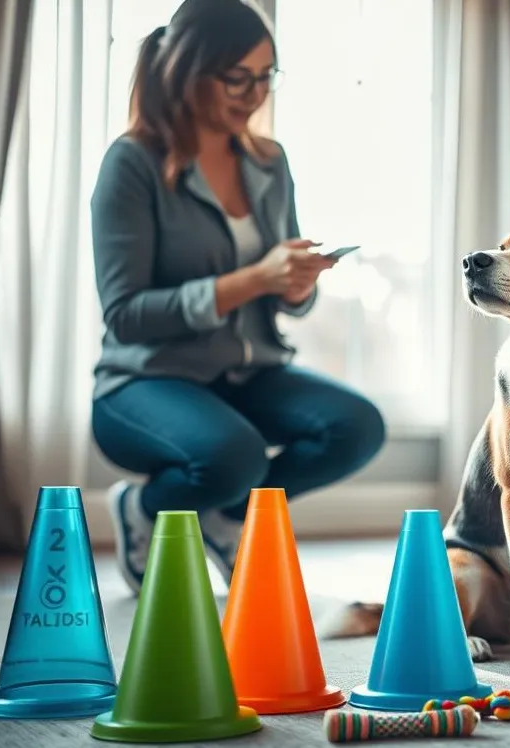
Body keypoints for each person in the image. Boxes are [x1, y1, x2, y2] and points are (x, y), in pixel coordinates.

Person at [89, 0, 386, 595]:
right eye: (238, 77)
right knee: (236, 458)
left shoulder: (270, 163)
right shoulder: (132, 164)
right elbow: (125, 316)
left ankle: (227, 515)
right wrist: (252, 279)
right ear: (188, 69)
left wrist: (296, 284)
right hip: (144, 382)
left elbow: (281, 299)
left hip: (248, 372)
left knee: (358, 426)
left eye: (266, 76)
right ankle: (144, 507)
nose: (254, 94)